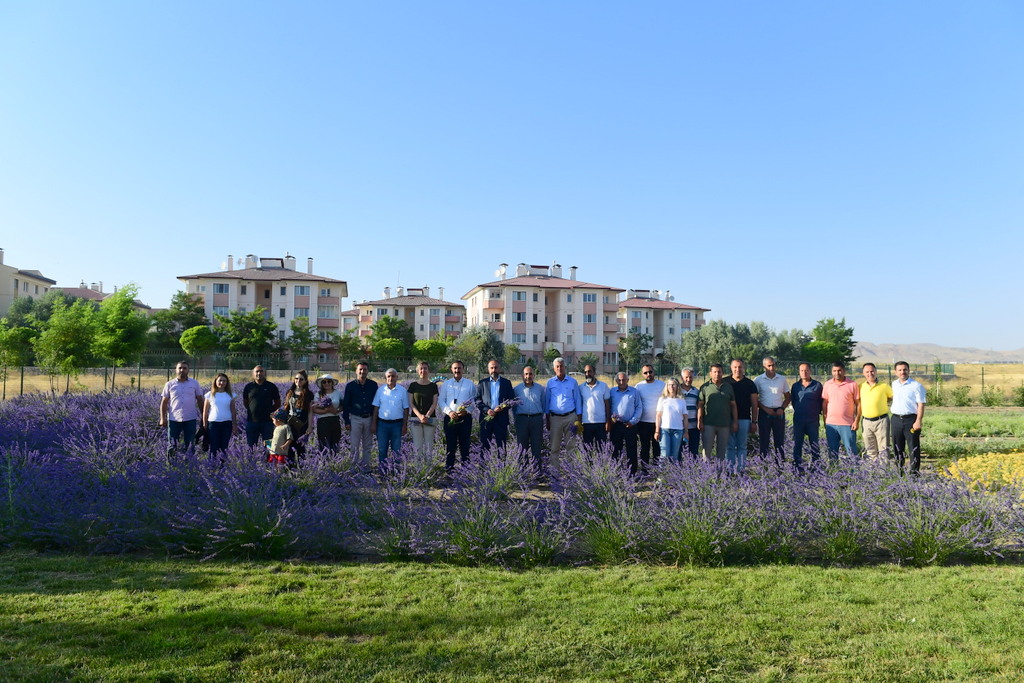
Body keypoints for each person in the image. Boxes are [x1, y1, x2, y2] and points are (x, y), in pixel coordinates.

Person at [159, 361, 205, 458]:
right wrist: (162, 418)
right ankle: (171, 466)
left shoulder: (194, 383)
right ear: (176, 370)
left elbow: (200, 400)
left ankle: (189, 466)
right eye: (179, 368)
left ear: (188, 370)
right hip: (174, 419)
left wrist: (203, 417)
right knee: (172, 445)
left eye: (184, 368)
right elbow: (164, 402)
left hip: (190, 418)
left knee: (190, 444)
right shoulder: (169, 384)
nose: (182, 370)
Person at [546, 357, 582, 473]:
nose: (560, 368)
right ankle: (555, 474)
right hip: (555, 418)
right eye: (557, 366)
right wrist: (547, 419)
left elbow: (578, 400)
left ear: (565, 367)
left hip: (570, 417)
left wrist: (579, 420)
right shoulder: (550, 383)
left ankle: (571, 474)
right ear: (554, 368)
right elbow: (547, 401)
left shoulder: (573, 382)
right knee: (554, 448)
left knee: (571, 447)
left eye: (561, 366)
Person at [439, 360, 477, 469]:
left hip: (465, 419)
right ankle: (449, 468)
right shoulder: (446, 384)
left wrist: (467, 410)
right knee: (450, 445)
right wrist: (449, 412)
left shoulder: (469, 384)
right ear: (451, 369)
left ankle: (465, 469)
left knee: (464, 445)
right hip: (450, 418)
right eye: (455, 368)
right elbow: (441, 401)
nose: (457, 370)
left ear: (463, 369)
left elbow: (474, 400)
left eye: (459, 368)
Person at [891, 361, 926, 474]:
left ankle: (914, 475)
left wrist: (918, 421)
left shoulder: (916, 386)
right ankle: (899, 473)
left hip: (911, 420)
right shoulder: (894, 384)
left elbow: (921, 404)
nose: (902, 372)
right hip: (896, 419)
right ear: (895, 372)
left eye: (905, 369)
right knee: (897, 448)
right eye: (900, 370)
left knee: (913, 448)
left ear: (908, 370)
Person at [697, 364, 738, 462]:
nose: (717, 374)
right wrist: (700, 421)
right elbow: (700, 406)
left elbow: (733, 405)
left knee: (722, 452)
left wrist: (735, 421)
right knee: (707, 451)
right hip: (708, 424)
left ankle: (720, 474)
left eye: (719, 372)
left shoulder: (728, 387)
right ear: (710, 373)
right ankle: (706, 474)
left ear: (722, 373)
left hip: (724, 424)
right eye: (714, 372)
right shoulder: (705, 387)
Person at [725, 359, 759, 472]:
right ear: (731, 368)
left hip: (744, 419)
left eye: (740, 367)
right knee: (729, 447)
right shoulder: (725, 382)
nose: (737, 369)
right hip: (728, 419)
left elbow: (754, 404)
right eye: (735, 367)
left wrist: (754, 422)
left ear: (744, 368)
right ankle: (729, 471)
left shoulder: (750, 384)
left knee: (742, 447)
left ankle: (740, 470)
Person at [475, 359, 516, 451]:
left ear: (499, 368)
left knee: (501, 446)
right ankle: (484, 464)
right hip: (486, 418)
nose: (494, 370)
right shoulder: (482, 383)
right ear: (488, 369)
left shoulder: (506, 383)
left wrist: (502, 407)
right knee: (484, 446)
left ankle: (502, 464)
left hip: (501, 419)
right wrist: (487, 410)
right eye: (492, 368)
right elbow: (477, 400)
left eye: (496, 368)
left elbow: (511, 400)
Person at [754, 357, 791, 459]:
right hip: (764, 412)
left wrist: (782, 408)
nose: (771, 367)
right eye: (768, 365)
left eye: (773, 365)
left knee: (779, 441)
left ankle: (780, 466)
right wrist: (765, 409)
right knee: (764, 440)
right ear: (764, 367)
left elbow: (788, 397)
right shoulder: (758, 380)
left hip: (778, 412)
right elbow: (754, 399)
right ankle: (764, 464)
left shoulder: (782, 379)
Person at [343, 362, 378, 466]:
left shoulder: (373, 385)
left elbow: (376, 404)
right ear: (356, 371)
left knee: (367, 445)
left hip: (369, 418)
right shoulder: (350, 386)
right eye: (360, 369)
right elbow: (346, 405)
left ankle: (366, 467)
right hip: (355, 419)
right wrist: (346, 421)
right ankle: (353, 467)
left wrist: (375, 422)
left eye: (365, 369)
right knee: (354, 445)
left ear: (367, 371)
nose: (362, 371)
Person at [371, 368, 409, 465]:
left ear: (397, 377)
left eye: (393, 376)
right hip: (382, 425)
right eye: (388, 376)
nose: (391, 378)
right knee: (382, 450)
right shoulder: (380, 391)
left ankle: (397, 472)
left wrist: (405, 425)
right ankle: (383, 471)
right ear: (385, 378)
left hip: (397, 424)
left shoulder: (402, 391)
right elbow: (376, 408)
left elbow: (406, 409)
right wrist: (374, 424)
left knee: (396, 450)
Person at [513, 365, 546, 472]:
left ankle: (537, 472)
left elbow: (543, 404)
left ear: (534, 375)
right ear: (522, 375)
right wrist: (516, 419)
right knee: (522, 448)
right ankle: (522, 472)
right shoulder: (517, 389)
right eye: (526, 374)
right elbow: (513, 406)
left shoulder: (540, 389)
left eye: (530, 374)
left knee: (537, 447)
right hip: (522, 420)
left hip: (536, 420)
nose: (528, 376)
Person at [822, 362, 859, 458]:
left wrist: (857, 421)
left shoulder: (852, 384)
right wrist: (825, 420)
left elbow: (858, 403)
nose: (837, 373)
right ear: (831, 371)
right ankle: (834, 471)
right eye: (834, 371)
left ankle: (854, 472)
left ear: (844, 371)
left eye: (839, 370)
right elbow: (825, 403)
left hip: (848, 424)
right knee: (832, 452)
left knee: (851, 451)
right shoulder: (827, 384)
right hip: (831, 424)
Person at [791, 362, 824, 469]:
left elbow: (821, 402)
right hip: (799, 421)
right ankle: (798, 467)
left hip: (812, 421)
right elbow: (794, 401)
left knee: (814, 445)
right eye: (801, 370)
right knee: (797, 445)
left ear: (810, 371)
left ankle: (816, 468)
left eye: (806, 370)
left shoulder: (818, 385)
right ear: (799, 372)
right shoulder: (795, 386)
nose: (804, 372)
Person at [609, 372, 643, 474]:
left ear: (627, 380)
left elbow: (639, 407)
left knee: (631, 450)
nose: (622, 382)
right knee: (615, 449)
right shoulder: (611, 392)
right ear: (616, 381)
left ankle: (632, 473)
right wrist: (611, 419)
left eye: (624, 380)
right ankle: (615, 472)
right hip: (616, 425)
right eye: (619, 380)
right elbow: (608, 406)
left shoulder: (634, 392)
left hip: (630, 425)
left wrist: (633, 421)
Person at [858, 362, 893, 461]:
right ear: (863, 373)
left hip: (881, 421)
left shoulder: (884, 386)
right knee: (870, 449)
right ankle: (872, 473)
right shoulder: (860, 387)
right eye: (867, 372)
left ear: (876, 372)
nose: (870, 374)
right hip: (866, 422)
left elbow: (891, 397)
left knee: (883, 450)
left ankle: (884, 474)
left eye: (872, 371)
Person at [634, 364, 665, 472]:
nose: (648, 374)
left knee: (657, 447)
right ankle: (645, 469)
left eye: (650, 372)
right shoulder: (638, 386)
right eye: (646, 373)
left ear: (654, 372)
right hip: (643, 422)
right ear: (642, 374)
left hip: (658, 422)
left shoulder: (662, 385)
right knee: (644, 447)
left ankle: (656, 469)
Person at [242, 365, 281, 448]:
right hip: (252, 422)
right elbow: (245, 402)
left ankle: (267, 460)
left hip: (267, 422)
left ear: (265, 373)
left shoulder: (271, 386)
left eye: (261, 371)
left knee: (268, 446)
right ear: (253, 373)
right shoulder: (248, 387)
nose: (259, 373)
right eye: (257, 371)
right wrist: (252, 409)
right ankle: (251, 460)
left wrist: (270, 411)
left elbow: (277, 402)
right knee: (251, 446)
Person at [407, 361, 440, 459]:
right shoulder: (413, 385)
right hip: (415, 419)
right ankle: (419, 469)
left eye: (425, 368)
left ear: (428, 370)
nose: (423, 370)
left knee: (429, 445)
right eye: (421, 368)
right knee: (417, 446)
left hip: (430, 419)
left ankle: (428, 468)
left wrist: (427, 416)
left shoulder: (433, 386)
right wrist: (420, 416)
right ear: (417, 371)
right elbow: (411, 403)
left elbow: (434, 403)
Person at [202, 372, 236, 457]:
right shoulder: (210, 394)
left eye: (224, 381)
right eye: (220, 380)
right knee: (214, 446)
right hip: (213, 423)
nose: (222, 383)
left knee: (224, 446)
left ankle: (222, 466)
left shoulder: (230, 395)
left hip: (227, 423)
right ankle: (212, 465)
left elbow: (233, 411)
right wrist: (204, 424)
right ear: (215, 381)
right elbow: (205, 411)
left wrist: (235, 425)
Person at [654, 378, 688, 463]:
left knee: (675, 455)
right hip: (665, 430)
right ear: (667, 386)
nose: (671, 387)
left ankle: (673, 475)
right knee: (665, 454)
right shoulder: (662, 399)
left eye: (673, 385)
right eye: (669, 385)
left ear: (677, 387)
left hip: (678, 430)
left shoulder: (681, 400)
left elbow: (685, 417)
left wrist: (686, 431)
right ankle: (662, 474)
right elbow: (658, 416)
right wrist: (657, 431)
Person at [284, 369, 315, 462]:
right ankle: (289, 467)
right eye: (296, 378)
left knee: (301, 447)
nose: (298, 381)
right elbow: (286, 408)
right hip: (290, 424)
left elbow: (310, 411)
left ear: (305, 381)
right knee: (289, 446)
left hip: (302, 424)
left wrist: (310, 426)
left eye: (301, 379)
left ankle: (301, 467)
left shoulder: (309, 394)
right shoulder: (290, 392)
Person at [579, 364, 611, 448]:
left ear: (594, 372)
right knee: (587, 450)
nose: (587, 374)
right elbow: (579, 405)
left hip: (600, 423)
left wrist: (608, 421)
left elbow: (607, 404)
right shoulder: (581, 387)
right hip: (586, 423)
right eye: (585, 372)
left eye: (589, 371)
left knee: (601, 450)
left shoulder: (603, 386)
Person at [312, 374, 344, 452]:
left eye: (329, 381)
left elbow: (343, 405)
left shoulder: (338, 393)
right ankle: (324, 461)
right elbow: (314, 409)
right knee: (324, 444)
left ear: (332, 383)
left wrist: (337, 410)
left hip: (335, 420)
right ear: (322, 384)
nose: (327, 383)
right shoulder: (318, 394)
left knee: (335, 444)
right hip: (323, 421)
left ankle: (334, 462)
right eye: (324, 382)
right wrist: (326, 411)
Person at [680, 367, 701, 457]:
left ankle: (693, 470)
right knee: (679, 451)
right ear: (682, 378)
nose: (688, 379)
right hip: (680, 427)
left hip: (693, 426)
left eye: (691, 377)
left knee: (693, 451)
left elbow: (699, 407)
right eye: (686, 377)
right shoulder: (677, 391)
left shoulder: (696, 391)